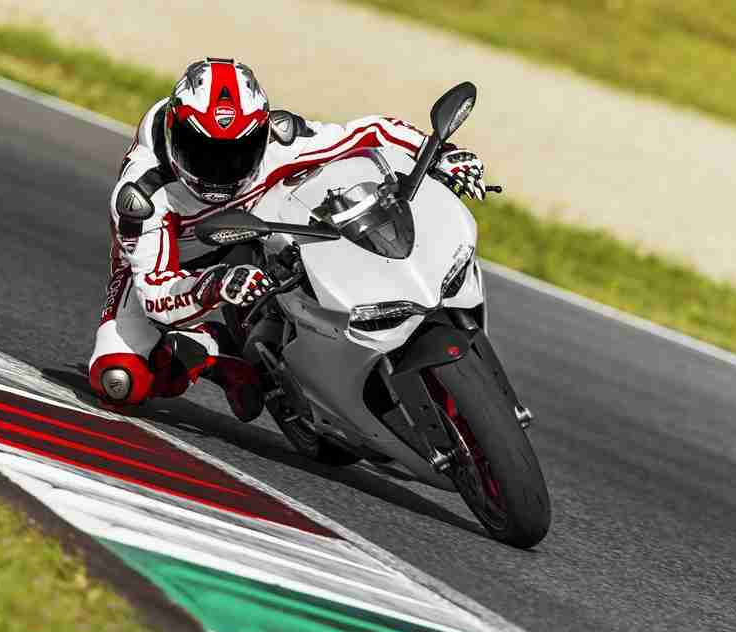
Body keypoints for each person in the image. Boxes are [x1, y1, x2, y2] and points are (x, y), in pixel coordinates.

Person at [88, 57, 487, 421]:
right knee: (119, 378)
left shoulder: (280, 139)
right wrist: (216, 285)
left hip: (261, 227)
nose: (220, 169)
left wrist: (441, 155)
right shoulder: (141, 196)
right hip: (177, 262)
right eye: (201, 153)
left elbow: (369, 132)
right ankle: (215, 353)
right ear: (173, 134)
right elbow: (156, 296)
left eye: (237, 152)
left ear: (261, 132)